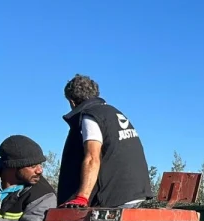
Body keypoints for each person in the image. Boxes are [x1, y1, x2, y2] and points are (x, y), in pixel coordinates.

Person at [57, 74, 153, 209]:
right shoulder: (113, 113)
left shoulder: (91, 116)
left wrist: (81, 197)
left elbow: (92, 157)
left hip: (115, 196)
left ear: (72, 102)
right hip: (136, 191)